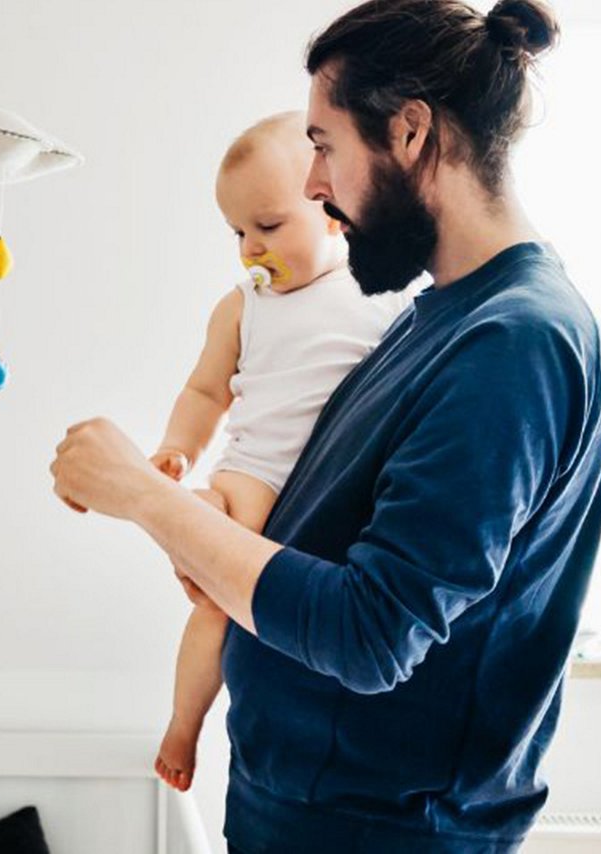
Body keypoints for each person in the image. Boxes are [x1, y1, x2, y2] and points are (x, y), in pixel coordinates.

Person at [50, 0, 601, 850]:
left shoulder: (515, 343)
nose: (313, 183)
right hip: (307, 808)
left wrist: (140, 494)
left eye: (323, 143)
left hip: (379, 831)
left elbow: (370, 633)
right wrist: (218, 550)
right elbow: (325, 542)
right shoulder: (437, 319)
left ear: (411, 132)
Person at [148, 111, 412, 793]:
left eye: (267, 227)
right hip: (255, 474)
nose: (249, 250)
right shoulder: (241, 308)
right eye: (237, 232)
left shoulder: (381, 297)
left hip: (338, 486)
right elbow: (206, 392)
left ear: (333, 214)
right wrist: (179, 449)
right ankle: (185, 723)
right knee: (213, 603)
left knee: (317, 615)